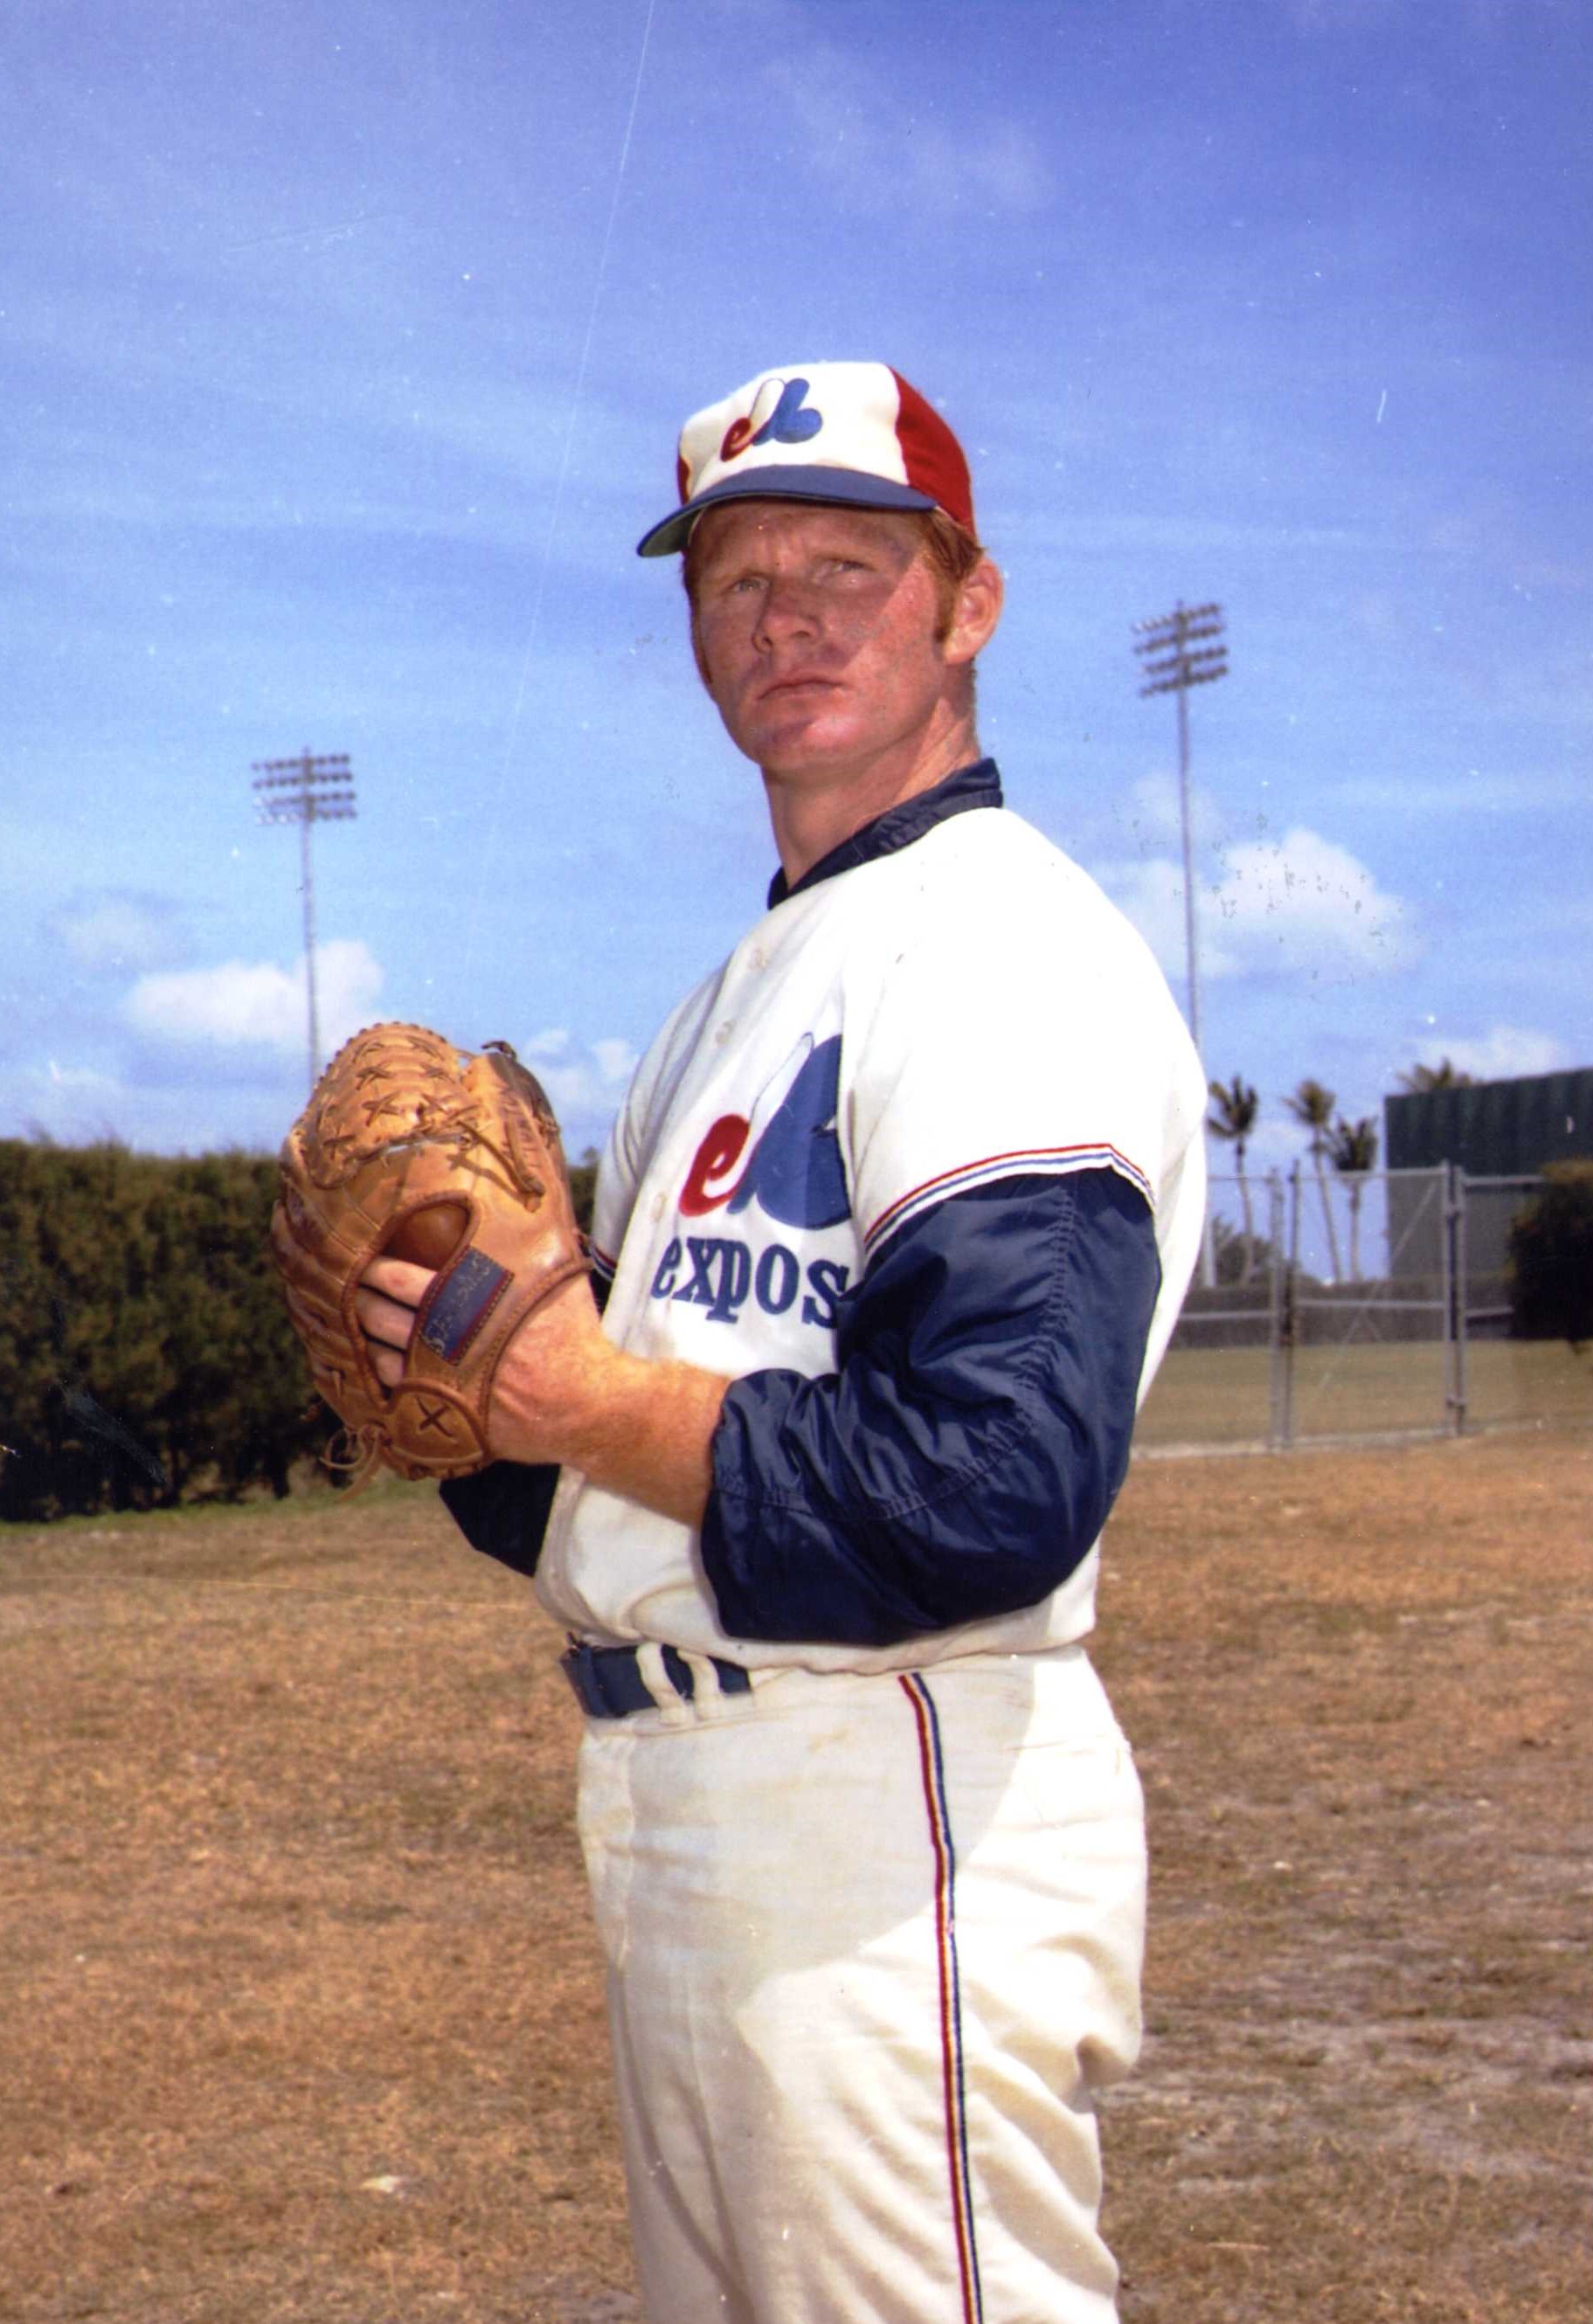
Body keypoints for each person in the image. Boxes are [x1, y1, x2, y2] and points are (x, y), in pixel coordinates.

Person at [358, 361, 1207, 2324]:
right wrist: (469, 1397)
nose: (789, 617)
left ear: (965, 607)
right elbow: (610, 1472)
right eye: (739, 580)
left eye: (849, 564)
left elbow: (988, 1487)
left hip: (887, 1801)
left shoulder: (998, 943)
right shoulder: (734, 993)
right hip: (697, 1809)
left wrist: (576, 1388)